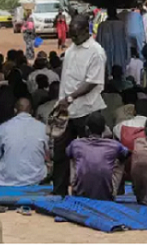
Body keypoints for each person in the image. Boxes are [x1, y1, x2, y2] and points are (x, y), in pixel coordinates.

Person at [53, 15, 107, 196]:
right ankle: (59, 190)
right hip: (66, 110)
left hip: (86, 109)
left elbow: (92, 82)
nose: (72, 38)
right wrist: (63, 101)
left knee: (89, 154)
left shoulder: (96, 52)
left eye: (75, 35)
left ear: (86, 31)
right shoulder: (71, 49)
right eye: (71, 35)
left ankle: (88, 190)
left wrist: (70, 98)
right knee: (60, 151)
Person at [67, 112, 129, 200]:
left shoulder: (76, 143)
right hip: (107, 193)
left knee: (72, 156)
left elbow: (67, 153)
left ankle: (73, 186)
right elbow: (127, 153)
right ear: (105, 129)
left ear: (86, 129)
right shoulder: (114, 145)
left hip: (79, 192)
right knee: (120, 159)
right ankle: (115, 190)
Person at [0, 98, 49, 187]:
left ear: (15, 110)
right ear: (32, 111)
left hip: (7, 180)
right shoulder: (43, 128)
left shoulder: (3, 128)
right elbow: (50, 154)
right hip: (36, 179)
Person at [97, 7, 130, 77]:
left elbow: (98, 43)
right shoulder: (121, 25)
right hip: (119, 57)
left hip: (107, 59)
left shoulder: (102, 26)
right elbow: (126, 42)